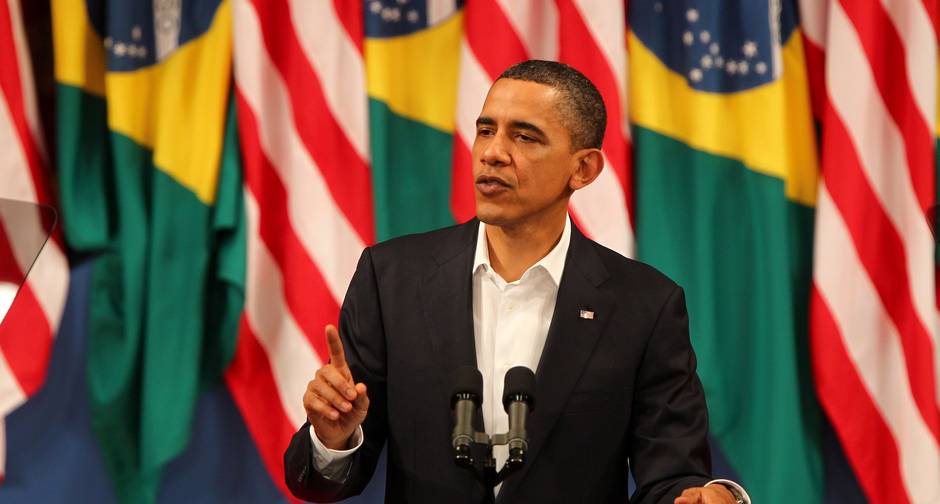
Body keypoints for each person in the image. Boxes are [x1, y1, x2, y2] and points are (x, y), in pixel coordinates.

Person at [284, 60, 750, 504]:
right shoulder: (392, 279)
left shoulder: (645, 305)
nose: (492, 152)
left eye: (524, 137)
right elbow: (326, 481)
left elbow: (671, 476)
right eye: (485, 130)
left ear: (583, 169)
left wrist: (709, 496)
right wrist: (333, 438)